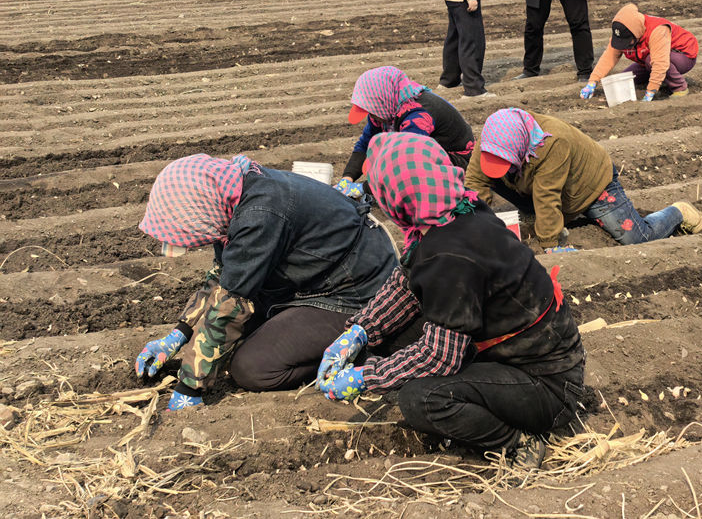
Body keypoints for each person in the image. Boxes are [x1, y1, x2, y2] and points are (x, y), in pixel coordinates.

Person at [316, 133, 585, 469]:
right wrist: (360, 330)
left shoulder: (449, 257)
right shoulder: (456, 208)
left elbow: (439, 358)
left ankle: (517, 440)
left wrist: (366, 377)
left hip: (546, 385)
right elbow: (408, 283)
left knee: (421, 400)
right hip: (522, 353)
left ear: (396, 199)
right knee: (390, 340)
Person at [133, 153, 401, 411]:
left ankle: (362, 353)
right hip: (317, 276)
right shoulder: (233, 197)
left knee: (250, 367)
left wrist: (190, 388)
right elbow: (223, 277)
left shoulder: (259, 214)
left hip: (356, 292)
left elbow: (229, 305)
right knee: (229, 337)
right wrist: (178, 334)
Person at [465, 108, 702, 252]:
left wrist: (550, 245)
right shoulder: (492, 139)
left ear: (520, 147)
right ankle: (539, 214)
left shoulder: (553, 144)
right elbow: (474, 182)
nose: (501, 167)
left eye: (507, 161)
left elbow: (547, 196)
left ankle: (679, 212)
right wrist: (472, 227)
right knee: (496, 178)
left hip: (589, 185)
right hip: (530, 180)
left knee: (636, 238)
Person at [336, 66, 475, 198]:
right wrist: (347, 178)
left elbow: (404, 163)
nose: (371, 116)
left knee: (405, 181)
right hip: (427, 152)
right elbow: (365, 143)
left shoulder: (417, 116)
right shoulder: (384, 108)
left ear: (381, 101)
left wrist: (364, 188)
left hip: (457, 161)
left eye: (371, 111)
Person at [580, 3, 698, 102]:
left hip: (683, 55)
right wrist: (592, 82)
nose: (623, 44)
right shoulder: (622, 32)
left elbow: (660, 63)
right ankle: (660, 79)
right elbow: (608, 58)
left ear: (636, 33)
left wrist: (650, 92)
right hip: (650, 58)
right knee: (624, 79)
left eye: (627, 41)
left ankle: (679, 88)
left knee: (651, 62)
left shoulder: (657, 30)